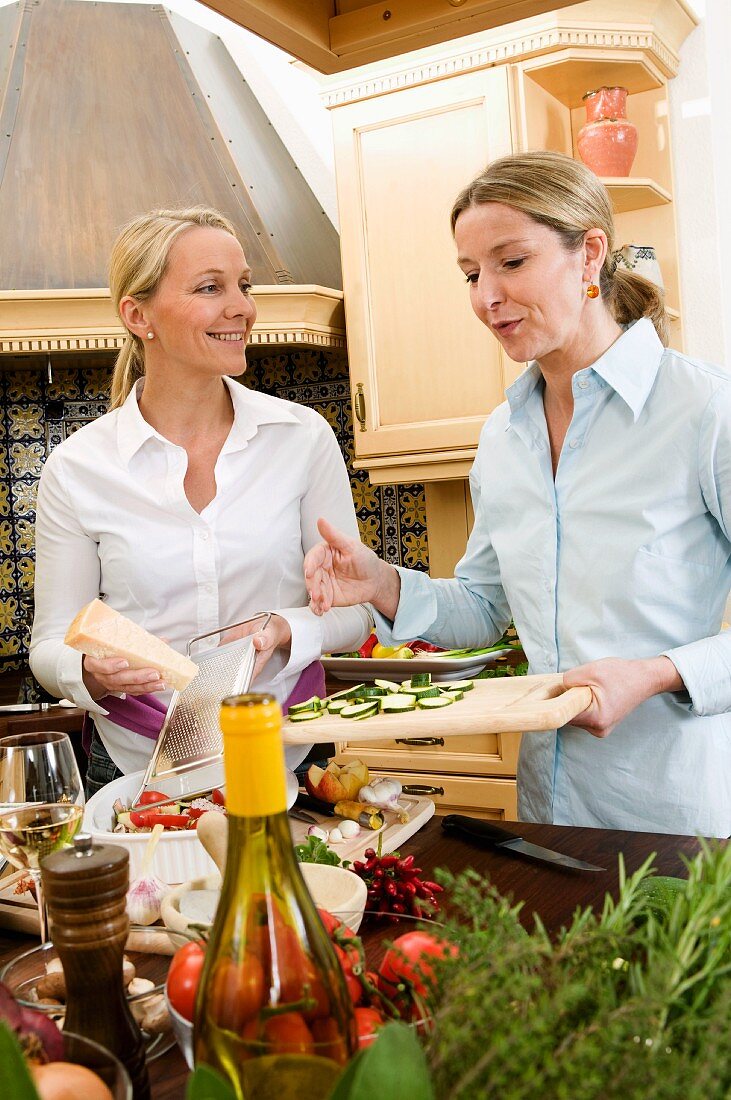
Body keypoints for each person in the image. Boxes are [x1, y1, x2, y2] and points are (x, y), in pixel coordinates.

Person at [304, 151, 731, 838]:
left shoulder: (703, 411)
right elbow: (484, 608)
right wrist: (380, 582)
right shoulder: (504, 436)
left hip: (674, 813)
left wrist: (653, 674)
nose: (485, 296)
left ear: (589, 253)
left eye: (511, 262)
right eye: (471, 274)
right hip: (548, 810)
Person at [30, 206, 371, 797]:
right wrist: (86, 671)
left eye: (244, 285)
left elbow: (354, 612)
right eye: (210, 288)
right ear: (139, 316)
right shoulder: (77, 470)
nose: (241, 306)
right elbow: (51, 642)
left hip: (291, 751)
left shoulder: (301, 438)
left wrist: (281, 627)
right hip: (137, 767)